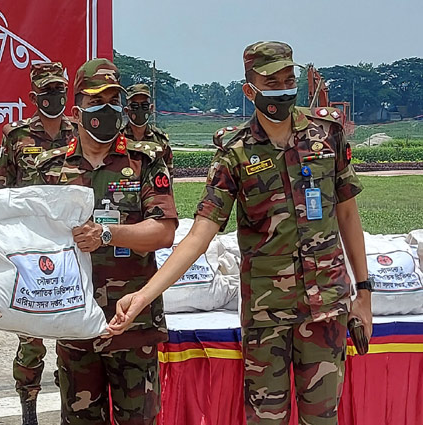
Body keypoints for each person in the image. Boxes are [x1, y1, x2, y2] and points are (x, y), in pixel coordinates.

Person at [108, 41, 374, 425]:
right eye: (271, 82)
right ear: (250, 90)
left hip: (327, 307)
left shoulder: (326, 134)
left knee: (323, 419)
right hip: (268, 315)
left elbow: (349, 216)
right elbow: (200, 235)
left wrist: (363, 294)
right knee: (265, 419)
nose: (282, 89)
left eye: (288, 79)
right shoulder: (234, 153)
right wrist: (143, 295)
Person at [32, 58, 178, 425]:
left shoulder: (145, 161)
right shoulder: (51, 170)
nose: (109, 109)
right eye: (99, 100)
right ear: (78, 110)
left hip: (131, 324)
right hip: (75, 324)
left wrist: (108, 234)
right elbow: (34, 242)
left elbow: (163, 231)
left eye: (115, 100)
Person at [0, 61, 75, 425]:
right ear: (33, 97)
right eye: (47, 93)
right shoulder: (16, 137)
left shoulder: (78, 132)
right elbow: (3, 193)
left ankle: (70, 407)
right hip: (30, 249)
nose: (54, 98)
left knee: (71, 335)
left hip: (71, 250)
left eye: (59, 90)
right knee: (31, 336)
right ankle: (28, 409)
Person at [122, 83, 173, 171]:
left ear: (151, 108)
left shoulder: (160, 139)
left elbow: (168, 173)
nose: (139, 109)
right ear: (126, 110)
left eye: (144, 106)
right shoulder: (118, 138)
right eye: (134, 106)